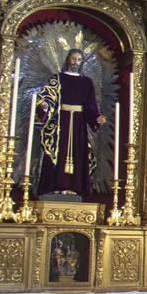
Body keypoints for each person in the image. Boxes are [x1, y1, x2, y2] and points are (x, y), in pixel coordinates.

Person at [35, 48, 107, 199]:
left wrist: (96, 118)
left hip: (78, 124)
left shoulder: (86, 82)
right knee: (57, 151)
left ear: (82, 62)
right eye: (73, 58)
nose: (76, 62)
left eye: (79, 59)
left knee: (78, 152)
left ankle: (75, 187)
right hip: (61, 121)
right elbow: (48, 97)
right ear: (68, 59)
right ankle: (55, 187)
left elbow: (90, 105)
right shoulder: (58, 78)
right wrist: (44, 106)